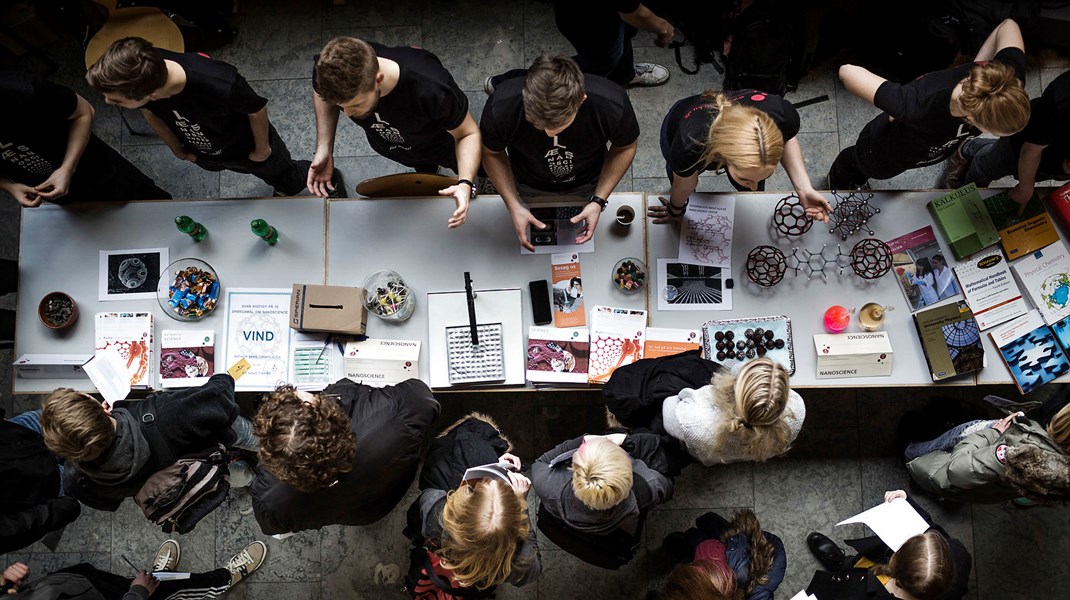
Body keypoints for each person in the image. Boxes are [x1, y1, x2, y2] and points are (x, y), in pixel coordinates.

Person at [86, 37, 318, 198]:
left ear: (151, 94)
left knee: (281, 174)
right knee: (245, 170)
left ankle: (311, 181)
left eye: (116, 101)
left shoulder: (219, 83)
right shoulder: (146, 79)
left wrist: (263, 150)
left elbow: (256, 110)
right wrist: (177, 149)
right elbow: (149, 111)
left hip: (246, 148)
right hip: (206, 152)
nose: (108, 102)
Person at [829, 19, 1030, 191]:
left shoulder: (1009, 78)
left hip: (925, 149)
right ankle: (839, 180)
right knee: (863, 165)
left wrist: (978, 64)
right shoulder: (920, 106)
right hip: (885, 148)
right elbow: (847, 72)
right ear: (972, 118)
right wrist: (896, 102)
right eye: (992, 131)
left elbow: (1008, 25)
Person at [309, 37, 479, 226]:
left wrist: (465, 182)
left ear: (378, 80)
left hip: (441, 143)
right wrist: (324, 147)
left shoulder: (431, 87)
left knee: (472, 168)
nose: (348, 114)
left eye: (355, 105)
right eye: (342, 106)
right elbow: (320, 93)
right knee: (423, 168)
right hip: (393, 144)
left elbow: (467, 134)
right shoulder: (328, 70)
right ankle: (426, 168)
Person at [481, 55, 640, 251]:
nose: (549, 133)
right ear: (525, 97)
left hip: (588, 179)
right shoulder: (501, 107)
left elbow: (625, 147)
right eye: (538, 124)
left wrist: (598, 200)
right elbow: (491, 153)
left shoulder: (611, 104)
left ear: (581, 100)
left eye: (559, 124)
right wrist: (513, 204)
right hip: (526, 179)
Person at [40, 374, 258, 512]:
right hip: (208, 443)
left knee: (231, 474)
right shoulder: (162, 416)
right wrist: (224, 377)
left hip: (189, 475)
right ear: (99, 409)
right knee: (248, 436)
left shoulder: (78, 481)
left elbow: (109, 504)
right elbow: (218, 399)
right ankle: (273, 451)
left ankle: (251, 478)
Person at [249, 378, 440, 534]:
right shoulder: (397, 412)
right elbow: (422, 395)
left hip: (358, 515)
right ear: (330, 415)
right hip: (383, 500)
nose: (300, 390)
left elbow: (273, 528)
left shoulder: (269, 503)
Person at [648, 89, 831, 225]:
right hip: (679, 126)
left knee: (751, 178)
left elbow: (787, 139)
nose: (753, 187)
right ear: (724, 156)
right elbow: (685, 184)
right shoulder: (688, 145)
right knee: (680, 174)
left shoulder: (784, 114)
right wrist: (675, 210)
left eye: (763, 176)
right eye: (745, 178)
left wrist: (804, 188)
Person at [405, 413, 541, 592]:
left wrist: (486, 469)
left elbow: (427, 497)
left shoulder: (437, 516)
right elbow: (534, 567)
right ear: (514, 526)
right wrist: (520, 504)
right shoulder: (520, 562)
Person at [1, 69, 169, 207]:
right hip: (50, 191)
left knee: (152, 204)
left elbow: (84, 112)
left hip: (95, 166)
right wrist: (10, 187)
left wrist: (67, 167)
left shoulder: (21, 90)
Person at [805, 490, 970, 600]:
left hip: (848, 589)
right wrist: (906, 501)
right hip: (872, 569)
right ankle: (847, 564)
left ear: (894, 561)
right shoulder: (958, 554)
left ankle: (842, 569)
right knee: (856, 564)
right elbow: (931, 529)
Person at [946, 70, 1070, 205]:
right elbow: (1030, 150)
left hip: (1050, 163)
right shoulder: (1063, 98)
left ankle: (971, 147)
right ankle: (966, 165)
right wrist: (1025, 188)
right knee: (988, 165)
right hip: (1023, 145)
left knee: (999, 155)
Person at [905, 404, 1070, 504]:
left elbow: (956, 469)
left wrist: (992, 433)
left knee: (922, 453)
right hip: (985, 488)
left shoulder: (1023, 457)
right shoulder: (1060, 471)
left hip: (943, 474)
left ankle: (907, 449)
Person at [0, 538, 267, 599]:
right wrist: (137, 595)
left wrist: (6, 586)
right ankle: (221, 580)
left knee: (132, 580)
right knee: (172, 590)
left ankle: (155, 577)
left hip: (75, 585)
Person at [661, 358, 805, 466]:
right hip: (741, 452)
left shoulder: (696, 421)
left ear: (735, 385)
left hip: (704, 452)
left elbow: (668, 409)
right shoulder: (796, 410)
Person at [532, 433, 673, 539]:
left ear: (574, 467)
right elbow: (668, 488)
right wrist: (624, 439)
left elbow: (542, 461)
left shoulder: (545, 484)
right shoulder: (648, 484)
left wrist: (583, 440)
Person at [535, 1, 675, 88]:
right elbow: (636, 15)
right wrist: (664, 28)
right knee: (602, 60)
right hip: (587, 21)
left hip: (608, 11)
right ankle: (549, 80)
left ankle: (625, 76)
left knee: (624, 37)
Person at [656, 509, 787, 600]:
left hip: (734, 546)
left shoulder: (759, 590)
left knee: (682, 541)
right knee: (685, 540)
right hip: (729, 545)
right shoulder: (710, 550)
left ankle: (675, 542)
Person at [0, 413, 80, 554]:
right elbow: (14, 528)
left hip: (19, 432)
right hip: (42, 486)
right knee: (106, 460)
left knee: (89, 418)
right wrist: (60, 510)